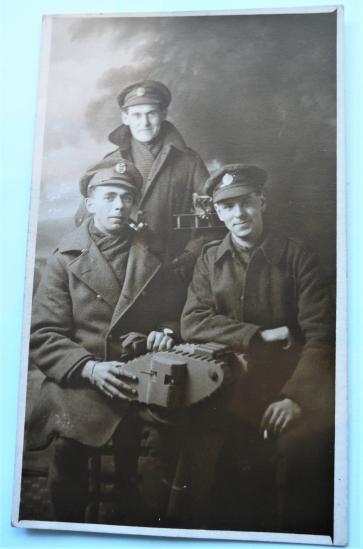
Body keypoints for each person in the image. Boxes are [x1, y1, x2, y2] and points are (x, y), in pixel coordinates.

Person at [26, 161, 187, 524]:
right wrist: (89, 368)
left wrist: (166, 330)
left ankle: (143, 524)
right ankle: (61, 529)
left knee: (167, 445)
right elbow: (44, 333)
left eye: (127, 198)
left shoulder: (153, 256)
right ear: (90, 202)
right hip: (83, 380)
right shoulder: (64, 261)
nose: (119, 206)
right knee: (69, 451)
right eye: (110, 197)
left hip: (141, 376)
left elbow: (176, 312)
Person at [180, 164, 335, 533]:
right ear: (218, 212)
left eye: (246, 203)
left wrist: (296, 398)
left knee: (298, 458)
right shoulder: (210, 259)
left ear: (262, 202)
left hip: (290, 385)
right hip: (232, 387)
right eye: (228, 207)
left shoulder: (299, 256)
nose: (239, 214)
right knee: (213, 468)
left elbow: (322, 336)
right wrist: (256, 336)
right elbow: (193, 322)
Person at [76, 80, 210, 274]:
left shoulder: (189, 161)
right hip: (123, 267)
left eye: (151, 114)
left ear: (163, 115)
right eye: (137, 115)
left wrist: (192, 252)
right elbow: (85, 218)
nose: (144, 123)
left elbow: (214, 215)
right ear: (125, 118)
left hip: (175, 267)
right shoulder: (111, 163)